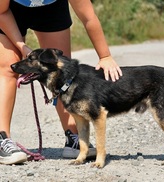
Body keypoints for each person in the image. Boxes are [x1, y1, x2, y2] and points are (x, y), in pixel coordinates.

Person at [0, 0, 122, 165]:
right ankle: (2, 138)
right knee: (8, 67)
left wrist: (105, 56)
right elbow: (1, 11)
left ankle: (73, 137)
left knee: (61, 71)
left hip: (52, 9)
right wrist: (22, 47)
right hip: (9, 11)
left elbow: (88, 17)